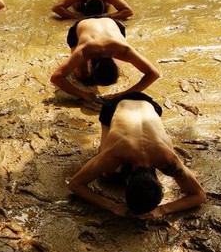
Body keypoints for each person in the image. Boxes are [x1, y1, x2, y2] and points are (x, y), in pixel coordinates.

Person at [68, 93, 206, 218]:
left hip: (150, 105)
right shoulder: (115, 154)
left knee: (112, 169)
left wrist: (163, 209)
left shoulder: (167, 158)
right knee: (108, 173)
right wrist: (112, 206)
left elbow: (199, 195)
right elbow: (74, 184)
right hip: (114, 106)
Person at [50, 17, 160, 102]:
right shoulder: (84, 51)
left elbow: (153, 74)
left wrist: (125, 94)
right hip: (81, 26)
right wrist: (83, 95)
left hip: (113, 24)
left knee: (119, 72)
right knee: (82, 76)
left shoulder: (124, 49)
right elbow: (56, 77)